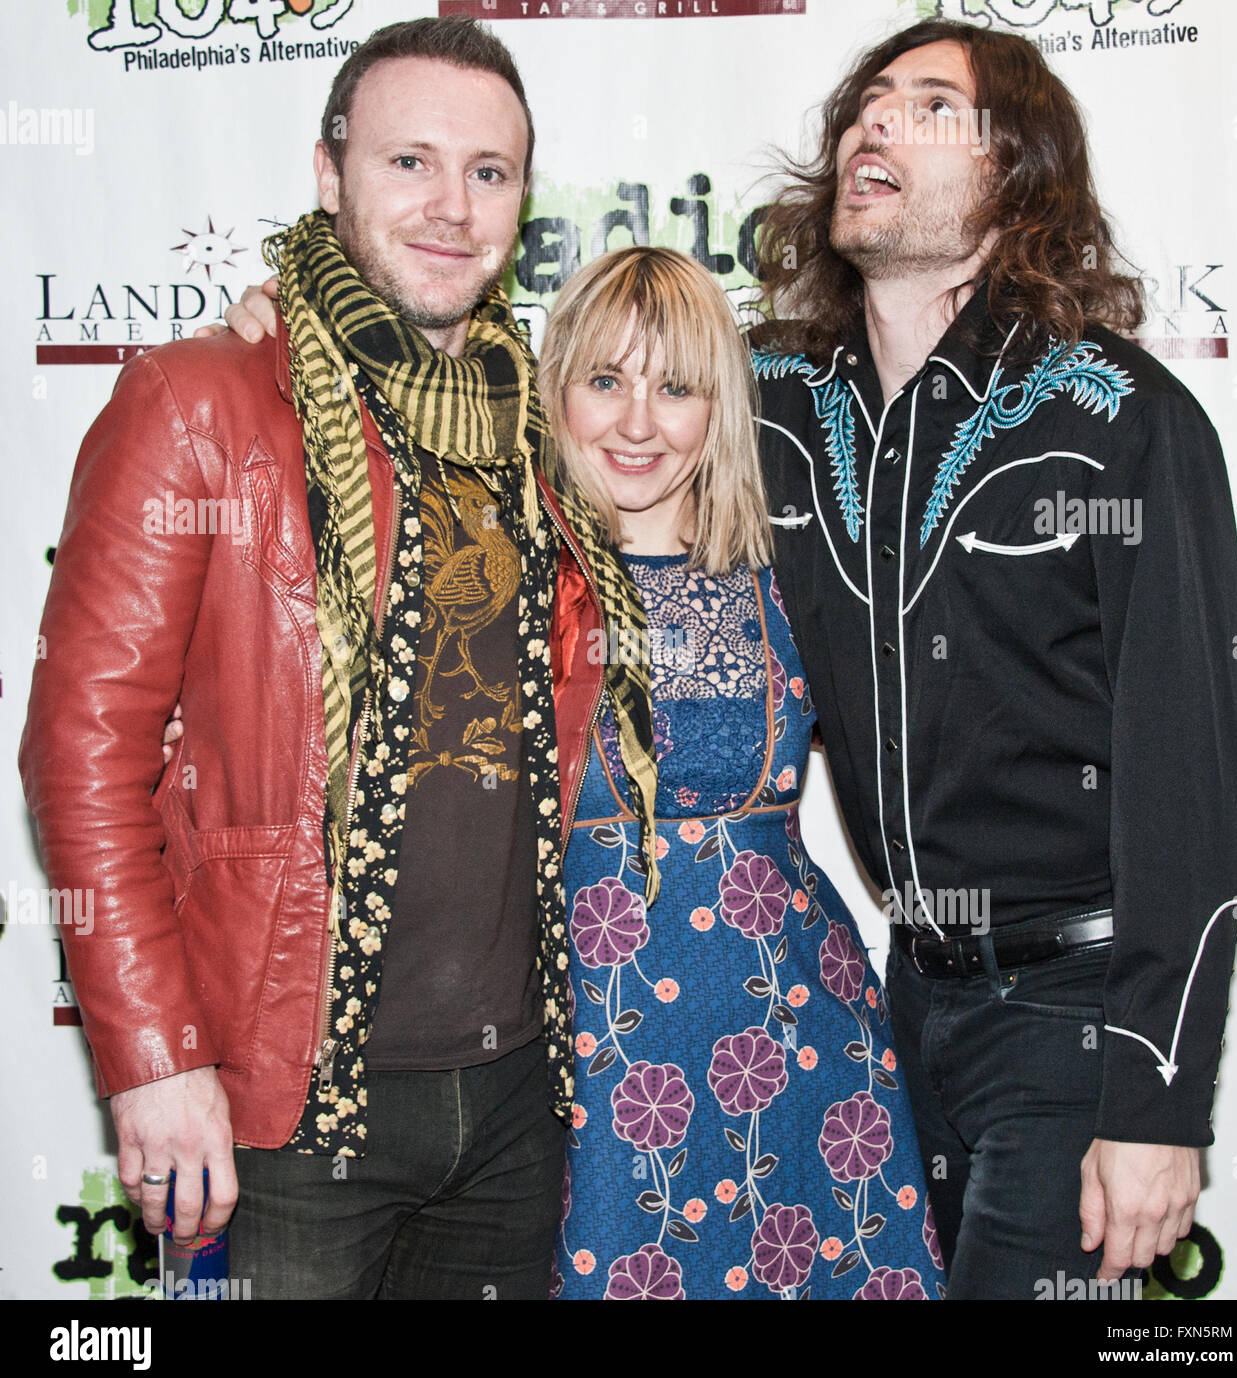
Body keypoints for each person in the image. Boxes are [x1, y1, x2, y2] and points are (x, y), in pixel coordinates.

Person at [20, 16, 660, 1300]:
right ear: (328, 175)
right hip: (287, 1104)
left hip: (519, 1093)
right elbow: (83, 753)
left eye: (487, 172)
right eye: (407, 161)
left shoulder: (532, 422)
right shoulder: (199, 401)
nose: (449, 205)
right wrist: (153, 1058)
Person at [210, 245, 945, 1301]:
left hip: (796, 1046)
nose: (638, 422)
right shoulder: (495, 567)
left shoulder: (800, 566)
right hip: (578, 1061)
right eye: (604, 380)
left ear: (719, 406)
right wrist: (285, 330)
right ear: (553, 391)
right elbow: (348, 449)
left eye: (676, 386)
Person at [750, 19, 1237, 1299]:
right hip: (895, 1015)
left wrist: (1157, 1101)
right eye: (866, 101)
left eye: (928, 105)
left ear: (1012, 172)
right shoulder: (775, 406)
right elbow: (589, 392)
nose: (874, 120)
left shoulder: (1122, 426)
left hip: (1075, 1024)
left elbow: (1187, 789)